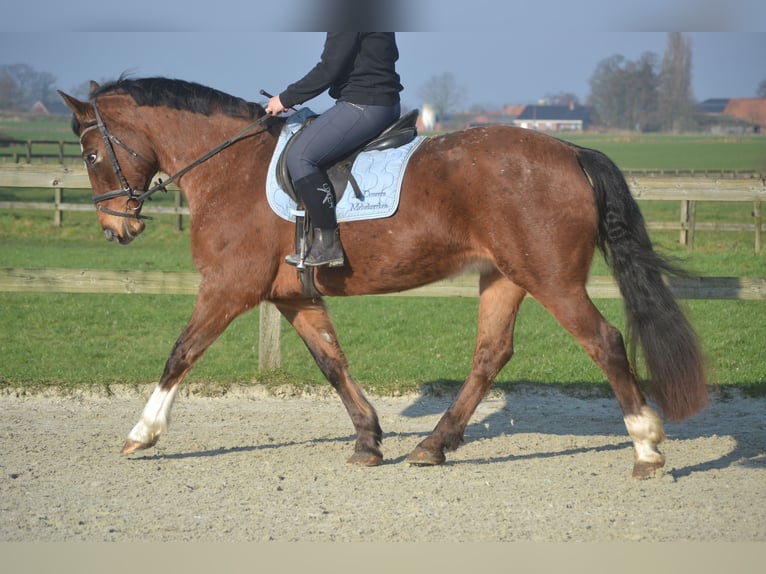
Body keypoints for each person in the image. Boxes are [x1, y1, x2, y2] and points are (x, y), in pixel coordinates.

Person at [265, 32, 403, 267]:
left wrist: (286, 98)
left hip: (364, 104)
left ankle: (327, 243)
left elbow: (330, 68)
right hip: (382, 102)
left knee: (300, 157)